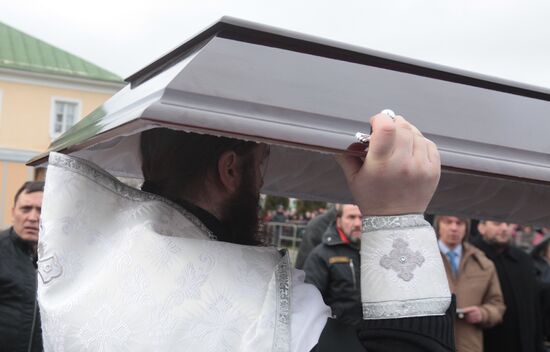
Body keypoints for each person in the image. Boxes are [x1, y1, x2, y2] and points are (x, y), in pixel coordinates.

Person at [38, 112, 455, 351]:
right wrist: (396, 214)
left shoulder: (91, 275)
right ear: (232, 170)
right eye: (262, 165)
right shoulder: (255, 302)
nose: (261, 184)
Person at [435, 215, 505, 352]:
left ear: (466, 228)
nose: (454, 228)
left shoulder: (482, 263)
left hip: (469, 345)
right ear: (438, 226)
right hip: (432, 342)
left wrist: (483, 313)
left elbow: (498, 305)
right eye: (448, 222)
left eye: (459, 223)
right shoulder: (424, 259)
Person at [473, 220, 545, 352]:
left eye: (508, 223)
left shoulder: (523, 259)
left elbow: (534, 309)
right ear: (481, 227)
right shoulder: (471, 257)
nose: (504, 228)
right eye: (497, 223)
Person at [0, 181, 44, 352]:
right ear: (13, 213)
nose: (32, 217)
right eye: (26, 209)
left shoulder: (63, 259)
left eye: (40, 210)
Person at [303, 204, 362, 325]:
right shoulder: (321, 255)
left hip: (368, 334)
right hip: (337, 332)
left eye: (361, 218)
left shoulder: (373, 251)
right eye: (351, 217)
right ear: (338, 221)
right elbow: (309, 301)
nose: (357, 223)